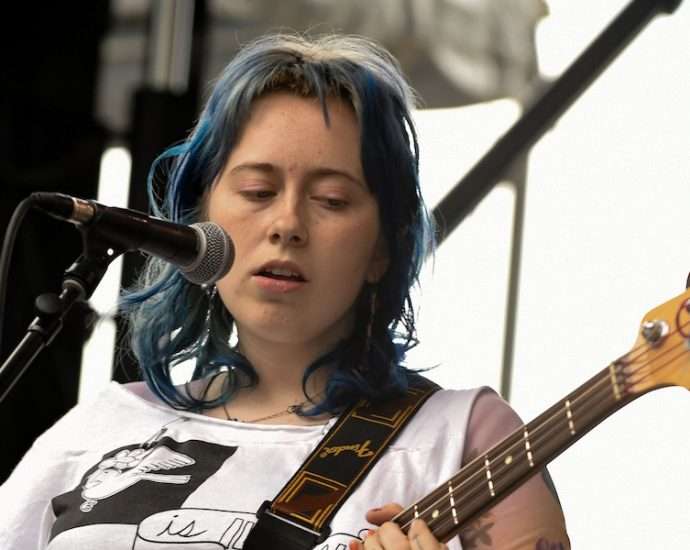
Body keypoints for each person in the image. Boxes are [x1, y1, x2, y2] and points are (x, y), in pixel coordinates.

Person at [0, 34, 570, 549]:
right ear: (200, 221)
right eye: (256, 190)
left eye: (331, 200)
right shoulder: (97, 430)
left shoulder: (464, 436)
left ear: (382, 250)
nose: (287, 224)